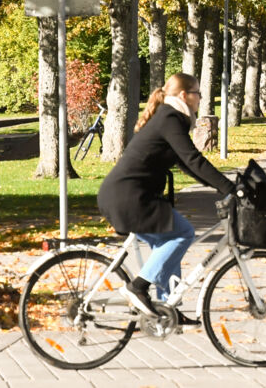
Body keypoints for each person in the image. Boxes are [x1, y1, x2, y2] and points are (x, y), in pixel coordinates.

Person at [97, 73, 235, 323]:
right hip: (131, 197)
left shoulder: (169, 117)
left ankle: (166, 309)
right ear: (184, 95)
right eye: (197, 93)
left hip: (128, 195)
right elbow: (193, 158)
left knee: (169, 241)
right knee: (182, 234)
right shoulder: (170, 117)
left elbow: (187, 164)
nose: (199, 98)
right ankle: (137, 287)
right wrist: (230, 188)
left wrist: (225, 187)